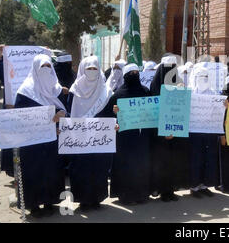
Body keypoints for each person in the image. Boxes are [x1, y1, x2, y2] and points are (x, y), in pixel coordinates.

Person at [12, 54, 67, 218]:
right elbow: (19, 117)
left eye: (48, 67)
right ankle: (34, 205)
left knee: (52, 171)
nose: (45, 70)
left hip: (52, 141)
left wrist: (61, 116)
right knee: (33, 171)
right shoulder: (25, 92)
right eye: (42, 67)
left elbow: (66, 113)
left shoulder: (57, 89)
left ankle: (50, 202)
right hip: (32, 143)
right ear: (35, 69)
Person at [67, 56, 114, 211]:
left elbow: (110, 113)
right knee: (81, 168)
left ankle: (96, 199)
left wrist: (115, 117)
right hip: (79, 140)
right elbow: (69, 113)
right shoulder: (74, 90)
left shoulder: (105, 90)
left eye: (95, 69)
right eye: (89, 69)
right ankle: (83, 200)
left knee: (99, 168)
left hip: (100, 139)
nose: (92, 72)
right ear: (82, 70)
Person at [105, 64, 152, 204]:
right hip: (124, 139)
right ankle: (126, 195)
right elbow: (108, 116)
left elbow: (152, 111)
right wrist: (114, 114)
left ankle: (142, 194)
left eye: (137, 72)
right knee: (126, 166)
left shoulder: (145, 91)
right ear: (125, 76)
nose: (134, 74)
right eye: (131, 73)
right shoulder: (118, 95)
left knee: (141, 165)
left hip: (141, 136)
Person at [149, 54, 187, 202]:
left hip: (175, 130)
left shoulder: (179, 84)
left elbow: (181, 108)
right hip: (160, 132)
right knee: (161, 162)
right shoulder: (155, 86)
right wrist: (165, 131)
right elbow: (155, 110)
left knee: (173, 162)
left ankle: (170, 190)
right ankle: (161, 190)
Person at [188, 67, 220, 198]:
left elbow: (218, 111)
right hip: (194, 132)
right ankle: (194, 187)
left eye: (206, 77)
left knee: (208, 159)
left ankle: (204, 185)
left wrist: (223, 105)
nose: (203, 80)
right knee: (196, 159)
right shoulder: (190, 93)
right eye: (201, 77)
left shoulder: (214, 93)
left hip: (209, 131)